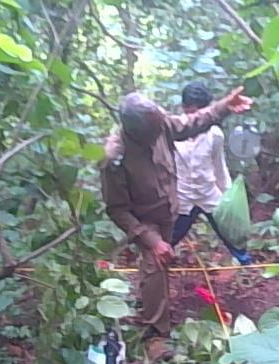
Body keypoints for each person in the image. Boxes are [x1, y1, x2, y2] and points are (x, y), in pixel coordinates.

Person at [100, 87, 252, 347]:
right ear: (138, 133)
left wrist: (225, 105)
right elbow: (117, 210)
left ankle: (152, 301)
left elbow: (192, 123)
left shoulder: (159, 124)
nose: (160, 131)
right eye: (154, 130)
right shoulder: (115, 158)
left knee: (163, 263)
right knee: (155, 264)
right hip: (146, 220)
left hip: (171, 207)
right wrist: (151, 241)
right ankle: (156, 334)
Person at [171, 82, 253, 265]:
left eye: (201, 111)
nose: (196, 117)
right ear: (183, 108)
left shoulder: (215, 134)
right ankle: (156, 265)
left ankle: (247, 266)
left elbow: (218, 165)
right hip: (182, 195)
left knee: (230, 233)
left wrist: (227, 195)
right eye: (192, 111)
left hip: (209, 193)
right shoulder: (173, 132)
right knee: (170, 238)